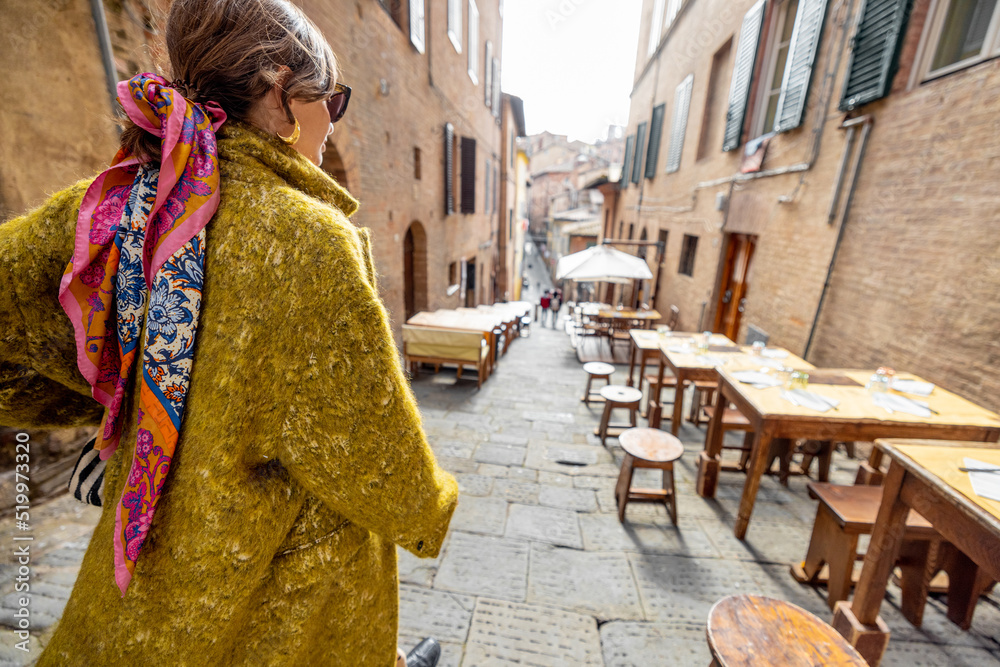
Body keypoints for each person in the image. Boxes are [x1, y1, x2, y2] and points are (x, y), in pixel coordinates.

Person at [0, 1, 457, 665]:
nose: (333, 117)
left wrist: (111, 399)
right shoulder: (309, 239)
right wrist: (433, 508)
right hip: (282, 595)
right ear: (279, 90)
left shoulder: (119, 204)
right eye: (331, 97)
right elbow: (375, 461)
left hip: (148, 590)